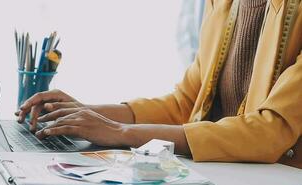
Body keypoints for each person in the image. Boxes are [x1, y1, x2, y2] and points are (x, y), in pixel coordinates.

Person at [16, 0, 302, 168]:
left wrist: (119, 131)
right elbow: (185, 104)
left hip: (274, 183)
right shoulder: (223, 5)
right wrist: (86, 114)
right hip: (220, 175)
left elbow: (269, 132)